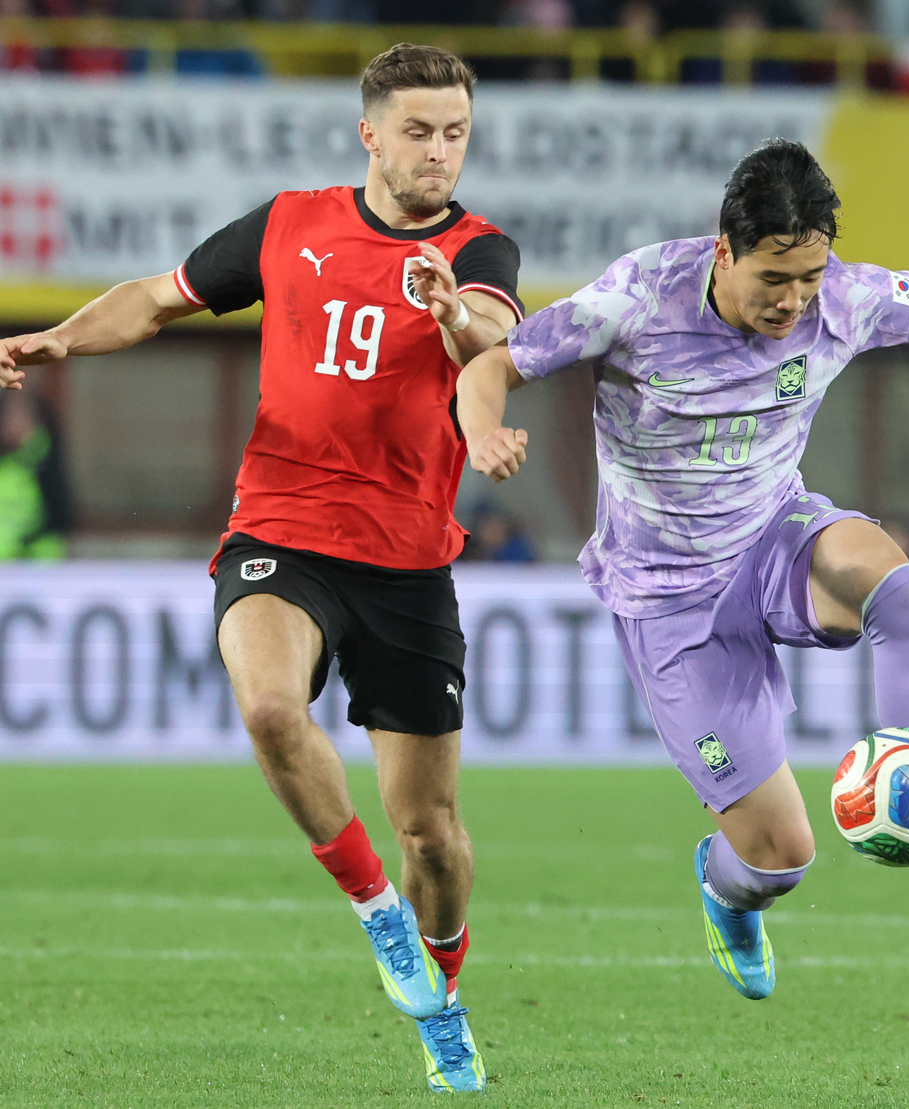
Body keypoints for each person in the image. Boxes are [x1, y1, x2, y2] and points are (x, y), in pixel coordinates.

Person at [456, 139, 909, 1001]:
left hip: (775, 536)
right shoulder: (638, 298)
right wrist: (484, 432)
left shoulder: (842, 299)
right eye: (773, 278)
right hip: (669, 596)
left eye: (808, 277)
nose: (793, 301)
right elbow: (492, 364)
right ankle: (725, 891)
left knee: (890, 582)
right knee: (778, 858)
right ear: (723, 251)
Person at [0, 44, 523, 1093]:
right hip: (280, 529)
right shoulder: (290, 224)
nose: (438, 152)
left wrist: (449, 311)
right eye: (418, 131)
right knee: (272, 709)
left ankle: (444, 990)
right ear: (369, 134)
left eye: (455, 133)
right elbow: (157, 297)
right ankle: (376, 913)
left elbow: (494, 338)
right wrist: (62, 338)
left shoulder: (478, 249)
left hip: (405, 561)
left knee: (432, 836)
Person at [0, 387, 74, 559]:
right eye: (8, 415)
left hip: (35, 563)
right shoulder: (7, 464)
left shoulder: (44, 463)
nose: (13, 423)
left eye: (21, 415)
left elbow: (61, 516)